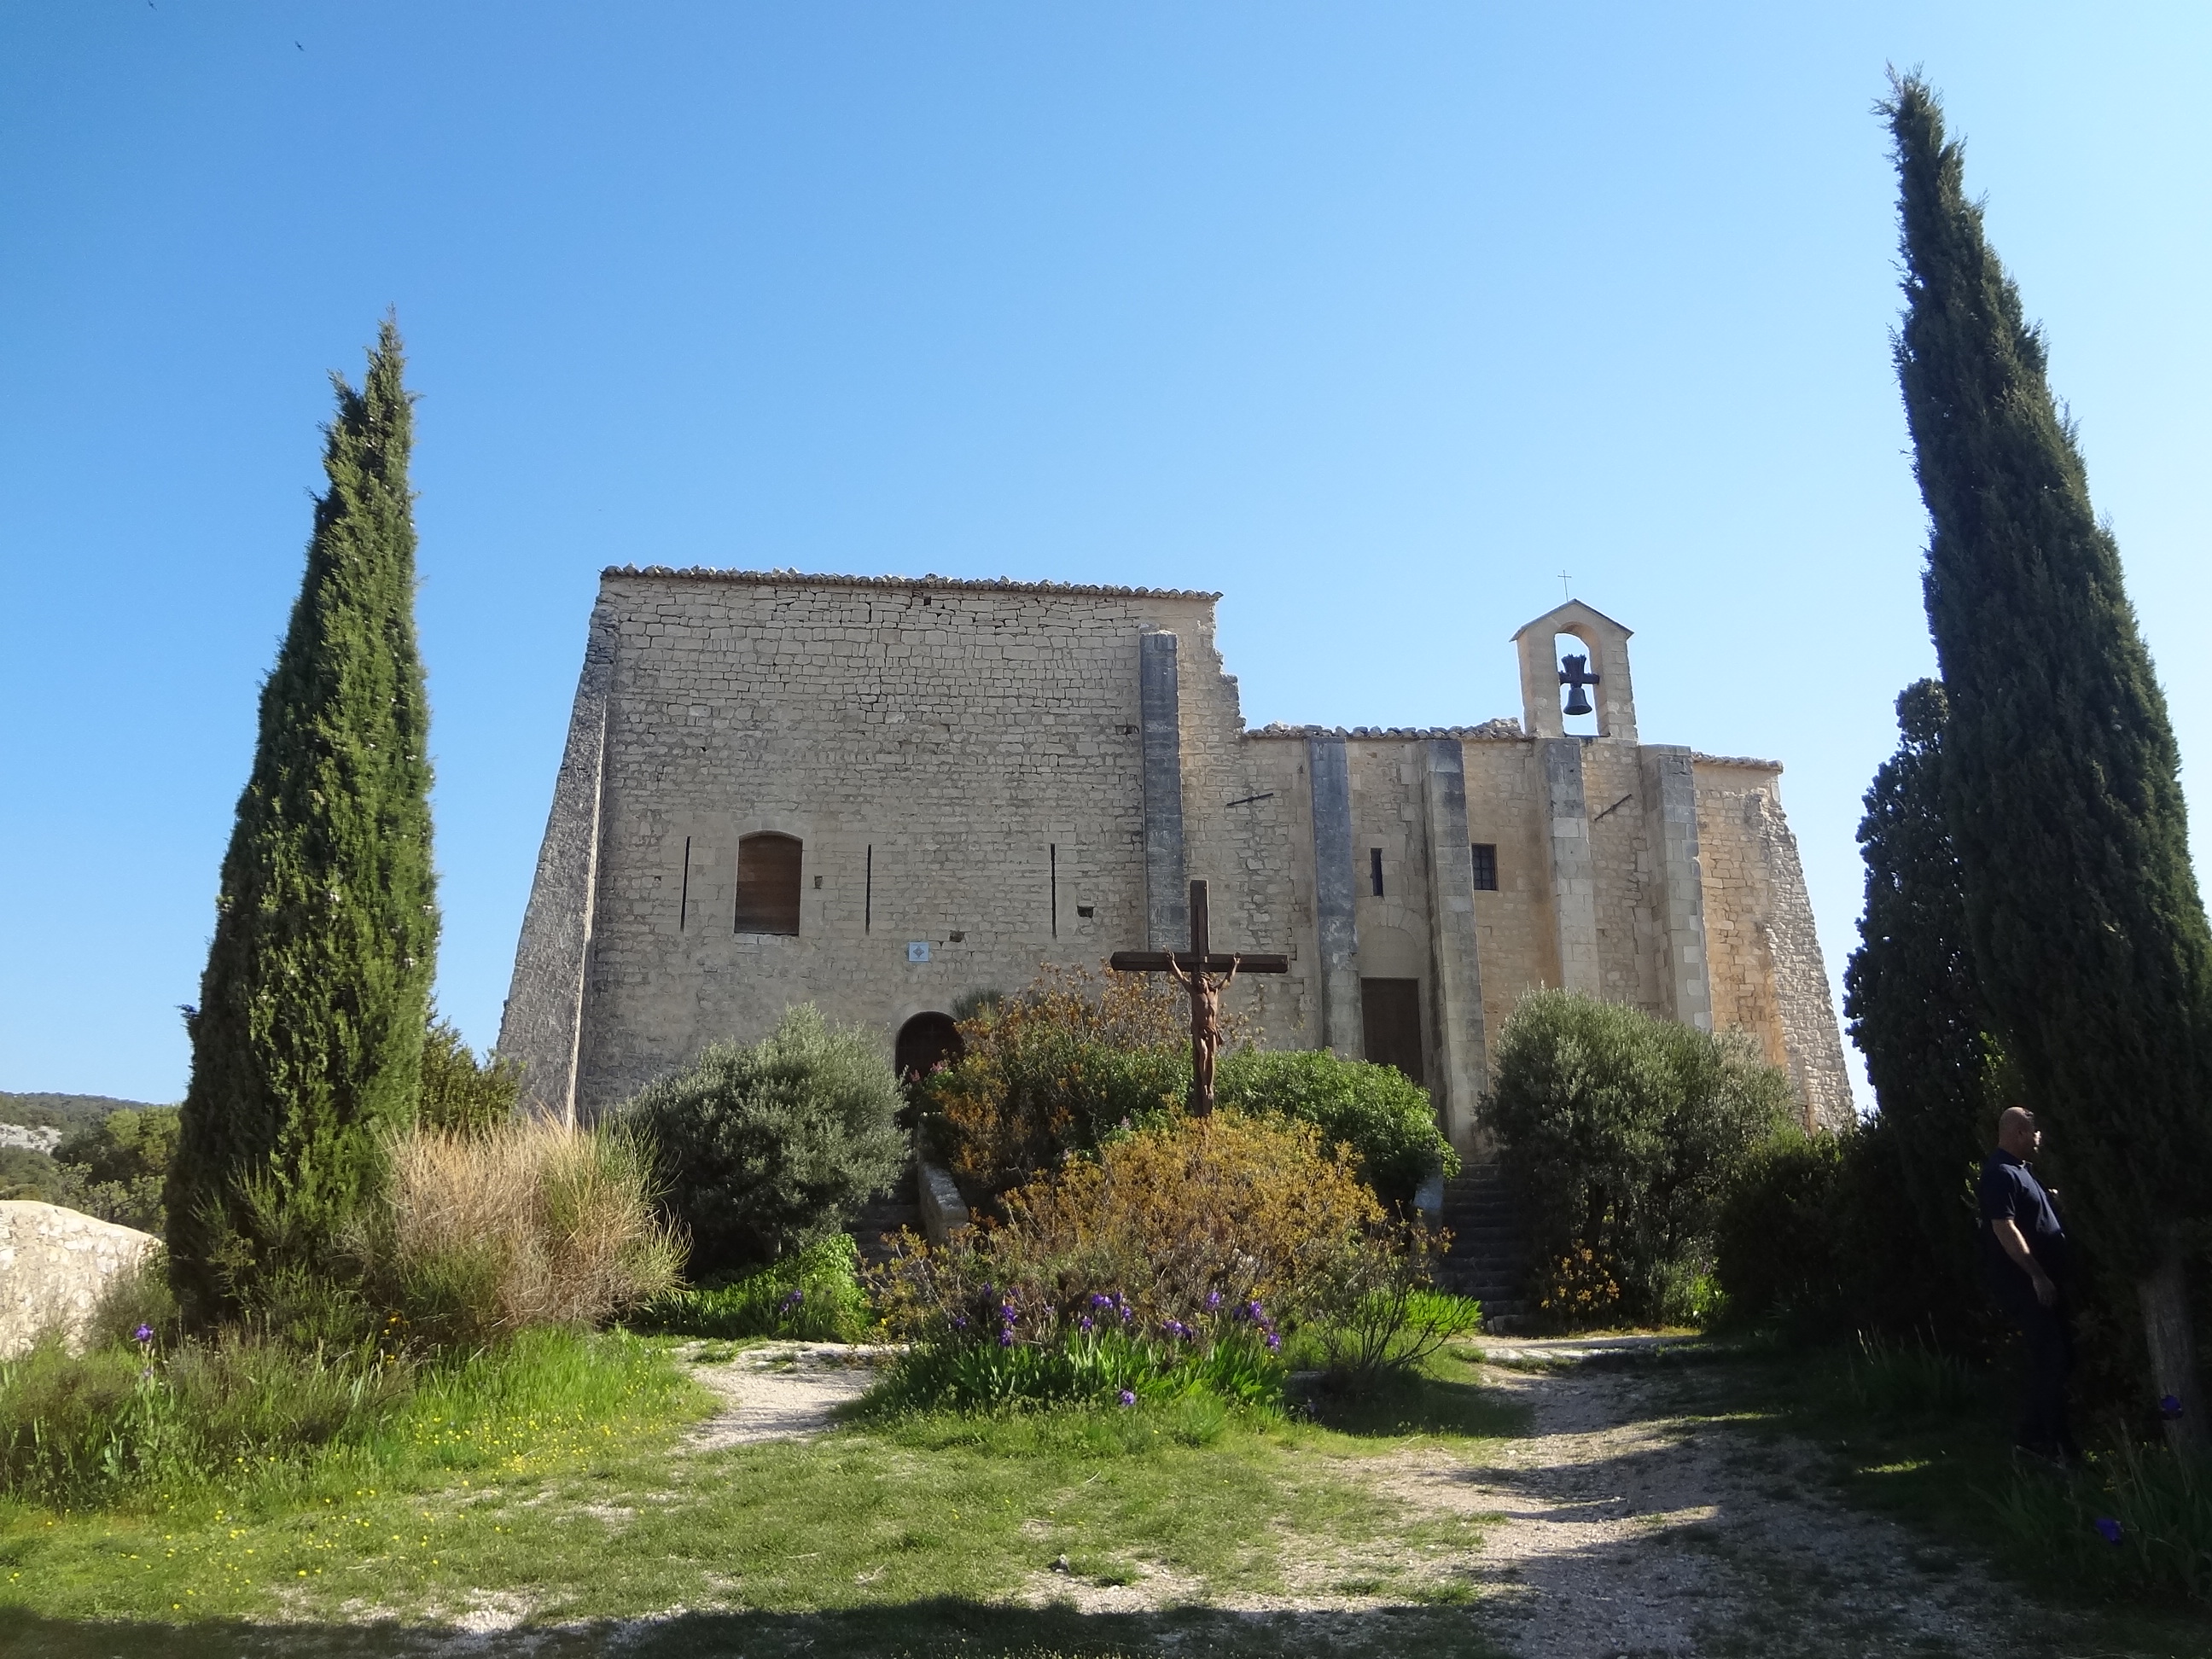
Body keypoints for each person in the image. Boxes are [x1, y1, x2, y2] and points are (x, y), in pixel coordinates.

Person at [1977, 1105, 2076, 1464]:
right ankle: (2053, 1447)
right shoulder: (2000, 1173)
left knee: (2060, 1359)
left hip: (2044, 1284)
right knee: (2051, 1361)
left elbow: (2031, 1216)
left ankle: (2032, 1438)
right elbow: (2004, 1227)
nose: (2039, 1139)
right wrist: (2036, 1274)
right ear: (2019, 1132)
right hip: (2027, 1287)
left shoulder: (2022, 1171)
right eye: (2035, 1133)